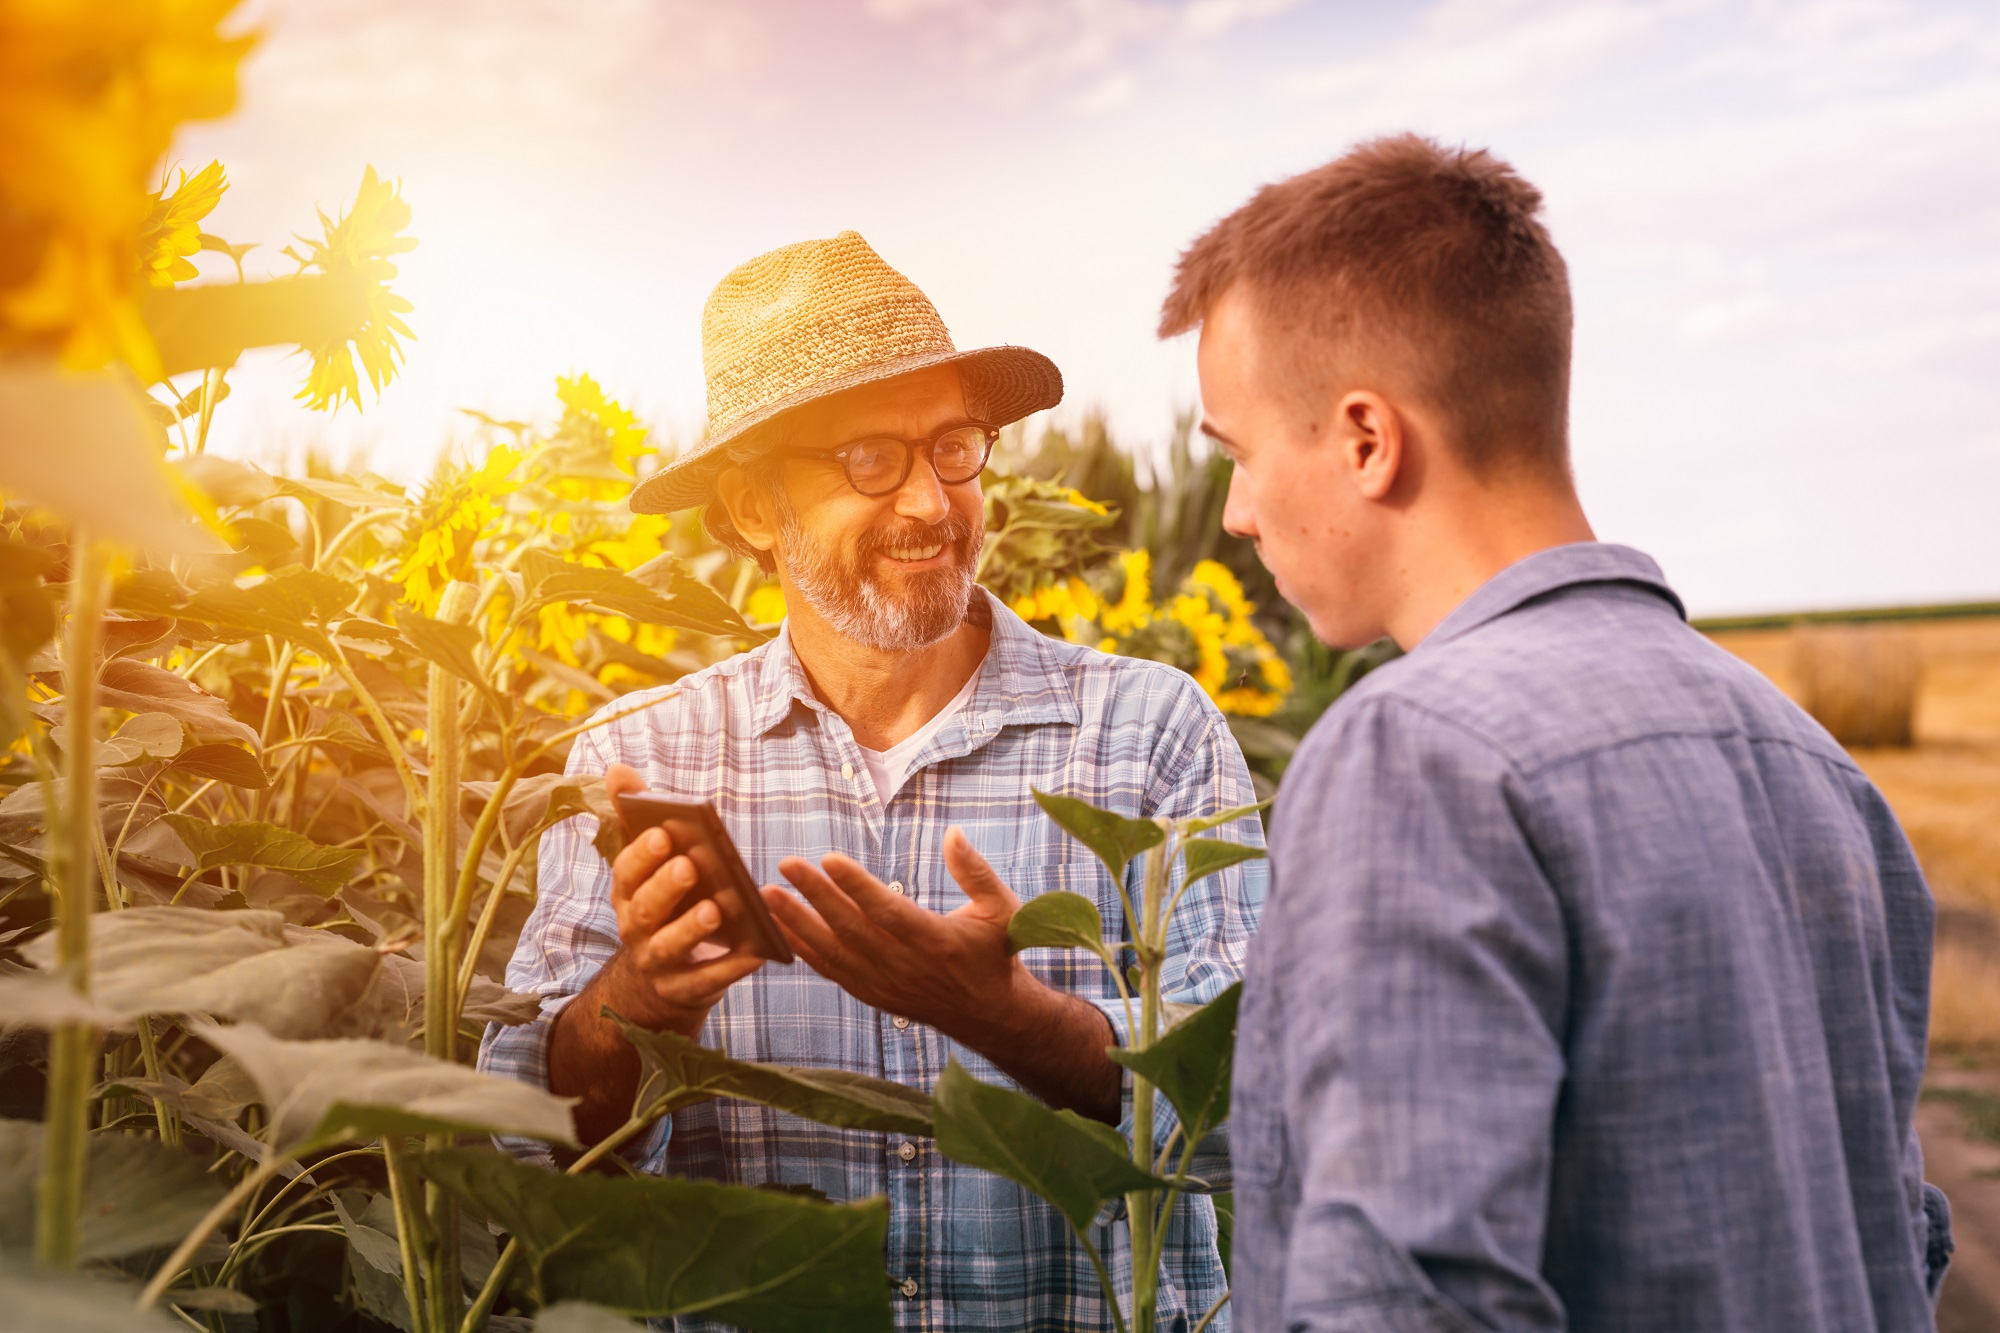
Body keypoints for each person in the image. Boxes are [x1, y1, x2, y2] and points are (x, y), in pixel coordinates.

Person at [1164, 135, 1953, 1332]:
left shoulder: (1415, 754)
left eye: (1237, 451)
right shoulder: (1814, 765)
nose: (1234, 514)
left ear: (1365, 441)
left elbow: (1407, 1300)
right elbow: (1892, 1245)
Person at [481, 231, 1265, 1332]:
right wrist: (640, 1007)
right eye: (868, 461)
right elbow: (528, 1144)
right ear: (755, 509)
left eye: (953, 447)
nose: (932, 504)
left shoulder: (1146, 734)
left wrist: (1012, 1019)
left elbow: (1261, 1118)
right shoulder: (644, 761)